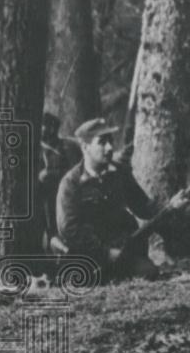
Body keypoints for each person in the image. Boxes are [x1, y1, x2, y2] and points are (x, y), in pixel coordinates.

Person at [55, 117, 159, 281]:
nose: (110, 147)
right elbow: (70, 230)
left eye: (110, 141)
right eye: (102, 142)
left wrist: (171, 208)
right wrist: (105, 253)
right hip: (88, 257)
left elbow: (143, 207)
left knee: (149, 272)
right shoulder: (71, 183)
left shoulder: (119, 173)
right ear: (85, 147)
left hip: (121, 252)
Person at [38, 113, 81, 251]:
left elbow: (76, 171)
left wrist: (50, 174)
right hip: (45, 196)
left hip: (66, 193)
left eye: (45, 126)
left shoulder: (67, 146)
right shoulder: (37, 149)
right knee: (50, 228)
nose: (43, 129)